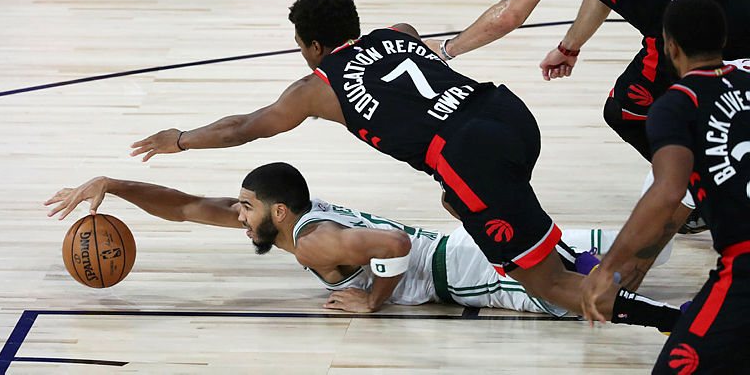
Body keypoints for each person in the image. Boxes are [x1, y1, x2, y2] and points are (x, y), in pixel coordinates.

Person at [128, 0, 680, 330]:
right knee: (472, 205)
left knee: (549, 288)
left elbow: (243, 129)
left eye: (301, 45)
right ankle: (651, 221)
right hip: (507, 113)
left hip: (467, 154)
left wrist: (179, 138)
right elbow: (416, 60)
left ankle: (670, 320)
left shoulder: (315, 87)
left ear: (314, 47)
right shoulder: (399, 32)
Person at [425, 0, 750, 237]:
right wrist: (570, 46)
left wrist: (446, 50)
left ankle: (701, 193)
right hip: (733, 1)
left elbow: (511, 12)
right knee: (724, 102)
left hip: (681, 29)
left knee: (626, 111)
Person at [46, 162, 630, 315]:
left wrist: (372, 303)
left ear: (276, 209)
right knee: (617, 255)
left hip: (466, 274)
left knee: (600, 300)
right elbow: (184, 207)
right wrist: (113, 184)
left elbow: (395, 248)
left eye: (245, 208)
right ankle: (684, 213)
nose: (237, 216)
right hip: (460, 248)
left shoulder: (313, 240)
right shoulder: (282, 220)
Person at [580, 0, 750, 372]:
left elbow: (667, 192)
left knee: (679, 365)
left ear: (670, 46)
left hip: (744, 264)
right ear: (724, 41)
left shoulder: (679, 103)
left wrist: (609, 270)